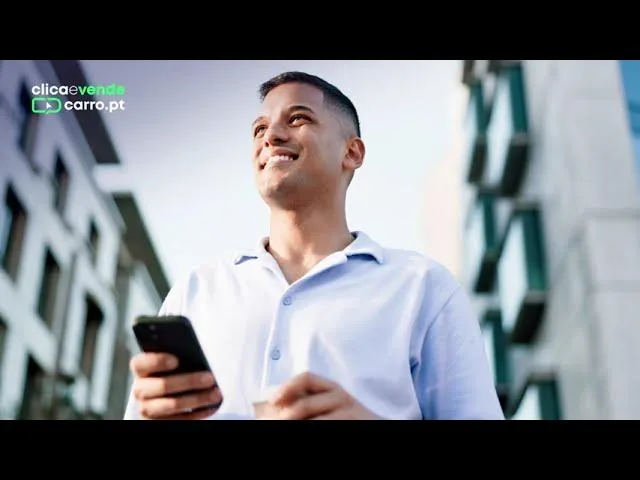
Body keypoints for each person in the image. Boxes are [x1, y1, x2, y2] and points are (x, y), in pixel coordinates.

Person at [124, 71, 505, 420]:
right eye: (259, 129)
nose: (270, 136)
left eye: (297, 119)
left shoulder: (423, 288)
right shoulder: (195, 292)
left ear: (352, 152)